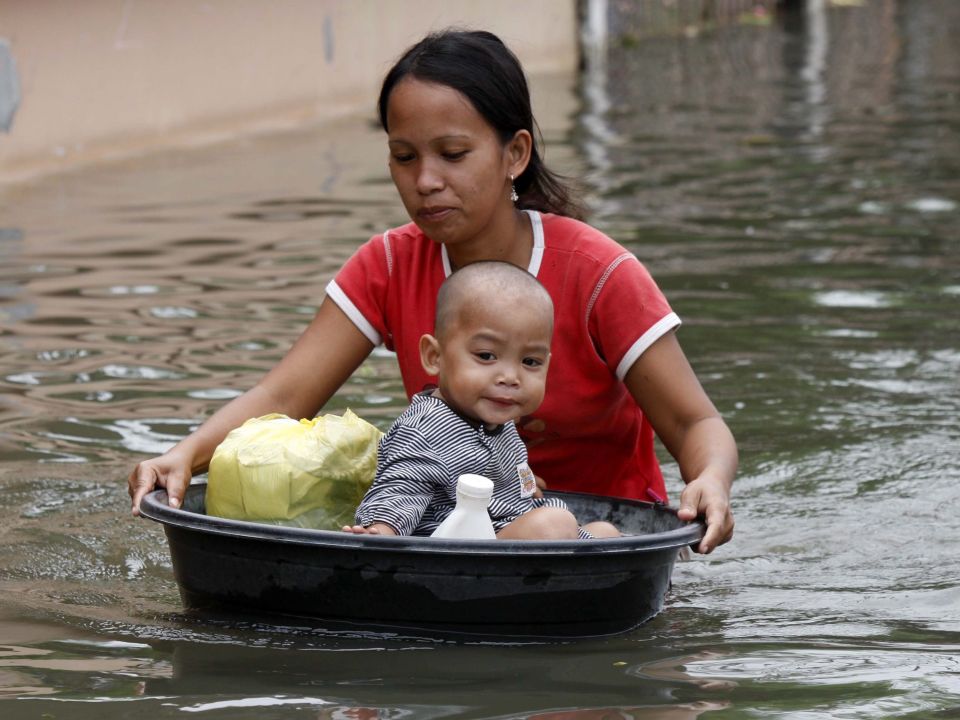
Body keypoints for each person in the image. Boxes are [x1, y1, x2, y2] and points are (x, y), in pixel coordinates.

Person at [128, 29, 737, 554]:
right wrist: (185, 455)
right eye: (403, 156)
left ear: (514, 154)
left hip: (595, 542)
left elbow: (694, 423)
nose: (425, 182)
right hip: (451, 543)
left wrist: (709, 479)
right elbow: (285, 394)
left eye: (452, 154)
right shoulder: (390, 263)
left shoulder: (599, 272)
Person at [341, 261, 619, 539]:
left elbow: (511, 487)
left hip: (510, 529)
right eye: (486, 356)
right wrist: (381, 531)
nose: (511, 377)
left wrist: (525, 487)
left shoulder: (496, 421)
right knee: (554, 524)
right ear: (434, 357)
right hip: (463, 554)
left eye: (530, 361)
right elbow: (400, 488)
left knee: (605, 532)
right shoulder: (426, 429)